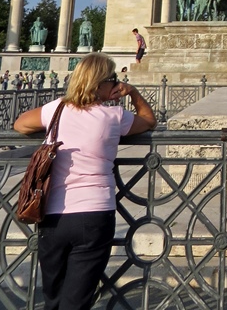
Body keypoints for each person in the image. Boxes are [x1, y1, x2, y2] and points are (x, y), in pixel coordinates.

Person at [14, 53, 156, 310]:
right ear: (100, 83)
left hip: (52, 214)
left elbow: (21, 124)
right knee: (77, 301)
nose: (116, 83)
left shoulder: (56, 109)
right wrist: (133, 93)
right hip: (94, 214)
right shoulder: (114, 116)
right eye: (112, 79)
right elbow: (148, 120)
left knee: (53, 298)